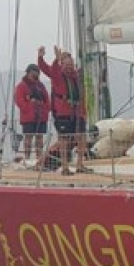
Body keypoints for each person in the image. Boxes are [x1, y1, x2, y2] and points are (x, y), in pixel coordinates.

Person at [38, 45, 89, 176]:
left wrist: (84, 112)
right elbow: (45, 68)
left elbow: (81, 94)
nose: (69, 67)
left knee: (82, 136)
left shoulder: (76, 76)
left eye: (71, 64)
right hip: (63, 112)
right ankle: (65, 167)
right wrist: (46, 58)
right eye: (66, 64)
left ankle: (80, 164)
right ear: (62, 64)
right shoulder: (57, 75)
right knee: (64, 139)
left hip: (77, 111)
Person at [13, 63, 50, 167]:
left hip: (41, 115)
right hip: (29, 116)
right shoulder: (21, 86)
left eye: (37, 73)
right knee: (28, 138)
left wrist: (45, 109)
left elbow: (46, 99)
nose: (35, 75)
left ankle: (39, 158)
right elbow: (19, 100)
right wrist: (29, 107)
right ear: (28, 73)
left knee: (39, 138)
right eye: (33, 73)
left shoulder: (41, 86)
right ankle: (27, 158)